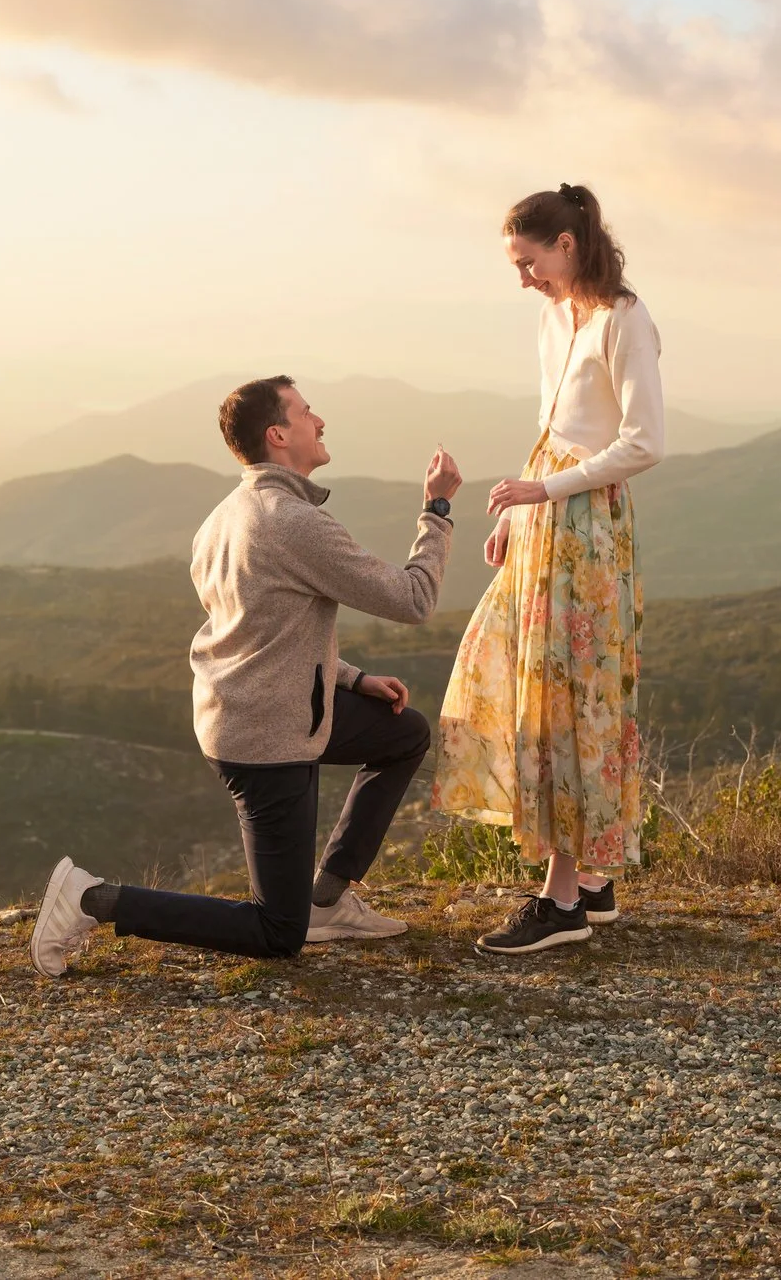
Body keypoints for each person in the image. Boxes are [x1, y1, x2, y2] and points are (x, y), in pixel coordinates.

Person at [30, 376, 461, 977]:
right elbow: (414, 600)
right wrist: (436, 510)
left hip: (261, 711)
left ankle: (327, 900)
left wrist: (351, 678)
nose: (322, 422)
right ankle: (89, 899)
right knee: (276, 933)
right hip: (268, 738)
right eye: (308, 413)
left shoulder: (224, 518)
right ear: (278, 434)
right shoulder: (292, 522)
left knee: (403, 733)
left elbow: (260, 633)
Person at [435, 184, 664, 954]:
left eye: (527, 261)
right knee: (534, 685)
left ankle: (561, 896)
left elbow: (644, 442)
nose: (523, 278)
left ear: (566, 245)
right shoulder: (551, 318)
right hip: (548, 516)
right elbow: (552, 428)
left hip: (591, 529)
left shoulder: (626, 321)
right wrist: (517, 510)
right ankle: (593, 885)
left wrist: (547, 492)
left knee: (573, 700)